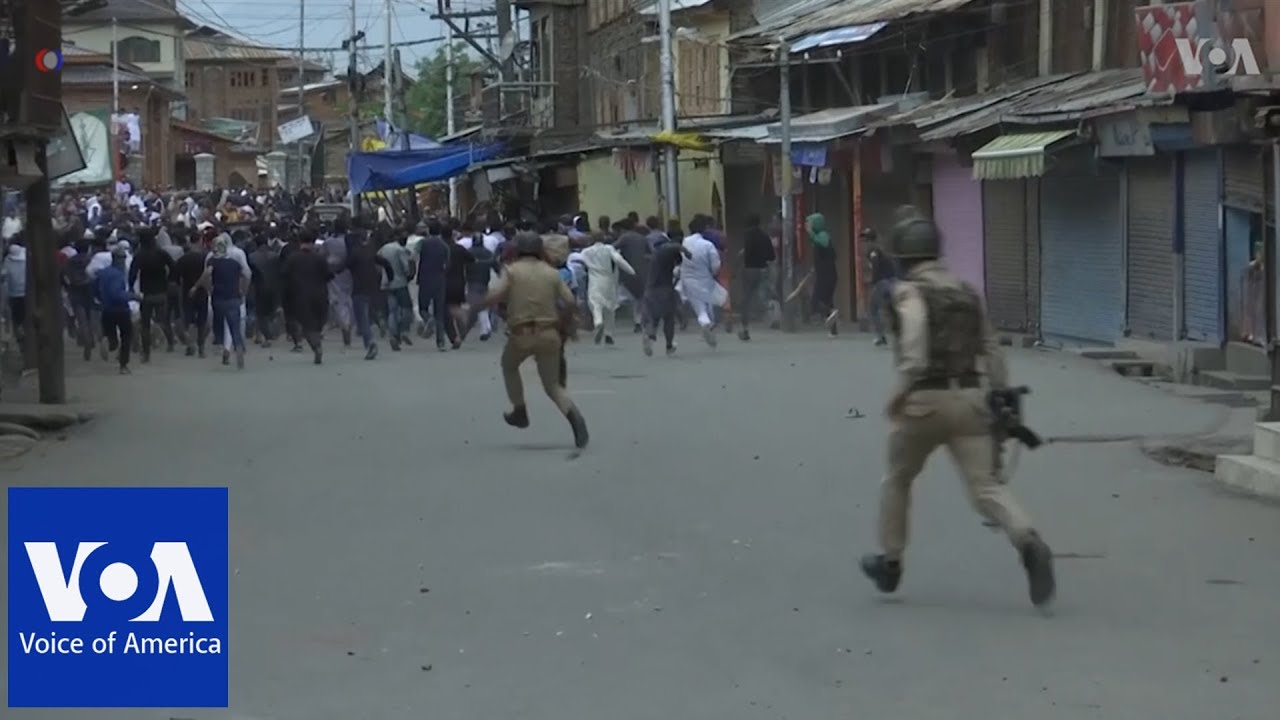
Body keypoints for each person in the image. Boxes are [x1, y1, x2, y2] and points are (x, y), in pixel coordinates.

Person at [858, 205, 1055, 610]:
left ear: (901, 256)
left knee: (898, 478)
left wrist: (899, 391)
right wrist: (999, 395)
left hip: (923, 404)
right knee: (987, 488)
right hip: (971, 400)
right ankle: (1027, 539)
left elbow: (913, 348)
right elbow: (992, 348)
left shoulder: (908, 291)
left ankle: (890, 562)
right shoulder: (965, 292)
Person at [483, 232, 589, 450]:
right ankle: (575, 418)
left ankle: (520, 409)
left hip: (521, 334)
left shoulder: (512, 271)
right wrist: (567, 323)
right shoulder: (551, 273)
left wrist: (476, 304)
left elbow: (497, 295)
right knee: (552, 386)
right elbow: (569, 300)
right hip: (549, 334)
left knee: (509, 365)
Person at [194, 236, 249, 369]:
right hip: (234, 297)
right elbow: (246, 276)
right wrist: (243, 291)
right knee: (234, 326)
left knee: (217, 322)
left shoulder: (212, 261)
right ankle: (237, 348)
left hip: (218, 298)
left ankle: (220, 345)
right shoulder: (235, 263)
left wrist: (203, 287)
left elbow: (207, 274)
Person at [281, 228, 331, 364]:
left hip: (300, 296)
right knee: (319, 322)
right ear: (313, 242)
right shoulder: (319, 258)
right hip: (320, 294)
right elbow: (329, 275)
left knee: (307, 326)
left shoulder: (292, 258)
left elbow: (284, 276)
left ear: (299, 241)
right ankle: (317, 339)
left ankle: (316, 345)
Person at [128, 227, 177, 362]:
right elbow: (173, 266)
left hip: (146, 293)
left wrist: (131, 288)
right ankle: (171, 342)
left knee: (145, 325)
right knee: (163, 321)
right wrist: (171, 280)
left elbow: (132, 273)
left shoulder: (139, 255)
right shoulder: (161, 253)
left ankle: (146, 354)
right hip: (161, 291)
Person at [579, 227, 635, 345]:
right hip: (608, 280)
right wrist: (631, 271)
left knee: (595, 304)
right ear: (603, 238)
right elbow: (619, 260)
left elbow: (578, 260)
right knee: (610, 307)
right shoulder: (609, 249)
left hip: (594, 280)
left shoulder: (586, 252)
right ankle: (609, 334)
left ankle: (598, 322)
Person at [642, 229, 691, 358]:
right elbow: (672, 246)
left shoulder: (655, 258)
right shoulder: (664, 251)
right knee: (668, 319)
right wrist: (686, 251)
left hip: (650, 290)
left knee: (654, 317)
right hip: (664, 290)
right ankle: (669, 345)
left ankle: (650, 335)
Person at [680, 215, 724, 348]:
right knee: (709, 304)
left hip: (688, 280)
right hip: (705, 279)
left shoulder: (684, 242)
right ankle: (709, 327)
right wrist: (712, 273)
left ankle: (705, 324)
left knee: (700, 309)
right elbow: (716, 266)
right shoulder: (707, 245)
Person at [93, 244, 134, 374]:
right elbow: (118, 294)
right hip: (121, 309)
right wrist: (133, 296)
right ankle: (123, 365)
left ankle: (107, 341)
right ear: (119, 259)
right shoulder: (118, 275)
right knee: (126, 337)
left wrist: (100, 299)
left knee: (112, 336)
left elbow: (94, 288)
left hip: (107, 309)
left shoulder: (103, 273)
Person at [736, 214, 776, 341]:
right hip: (763, 269)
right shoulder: (765, 236)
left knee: (746, 299)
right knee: (763, 294)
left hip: (750, 269)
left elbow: (748, 251)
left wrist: (742, 257)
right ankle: (773, 310)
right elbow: (772, 256)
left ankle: (745, 329)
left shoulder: (748, 234)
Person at [377, 228, 415, 350]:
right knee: (407, 308)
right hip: (400, 283)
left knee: (392, 311)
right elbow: (406, 268)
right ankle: (403, 330)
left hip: (386, 283)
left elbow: (376, 262)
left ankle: (393, 336)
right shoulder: (400, 250)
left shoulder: (383, 248)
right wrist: (409, 275)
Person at [613, 215, 651, 334]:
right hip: (643, 272)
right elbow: (651, 253)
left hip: (627, 273)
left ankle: (606, 320)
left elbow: (612, 249)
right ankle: (638, 322)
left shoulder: (624, 238)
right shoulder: (643, 238)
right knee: (639, 299)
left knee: (618, 298)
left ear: (623, 229)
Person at [175, 236, 210, 357]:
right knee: (202, 320)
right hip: (202, 291)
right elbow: (208, 275)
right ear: (200, 242)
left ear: (190, 242)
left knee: (188, 320)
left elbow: (176, 277)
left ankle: (190, 344)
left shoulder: (182, 259)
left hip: (187, 292)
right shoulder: (205, 258)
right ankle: (201, 347)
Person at [806, 212, 839, 336]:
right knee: (828, 300)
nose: (807, 226)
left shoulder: (822, 235)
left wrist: (811, 233)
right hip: (826, 273)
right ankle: (833, 330)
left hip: (826, 275)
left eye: (809, 223)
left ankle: (830, 312)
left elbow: (824, 244)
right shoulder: (819, 237)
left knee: (815, 302)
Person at [864, 228, 898, 346]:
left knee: (873, 309)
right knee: (891, 308)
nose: (864, 242)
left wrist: (872, 280)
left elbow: (875, 264)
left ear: (868, 240)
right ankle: (900, 333)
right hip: (892, 281)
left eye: (865, 239)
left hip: (883, 282)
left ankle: (881, 336)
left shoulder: (872, 250)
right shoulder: (879, 249)